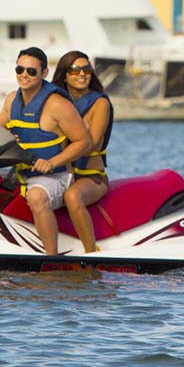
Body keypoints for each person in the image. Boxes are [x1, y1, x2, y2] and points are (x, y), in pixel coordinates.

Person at [0, 46, 92, 255]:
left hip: (56, 175)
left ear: (44, 73)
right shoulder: (11, 100)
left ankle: (50, 259)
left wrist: (52, 162)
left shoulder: (57, 105)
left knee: (36, 197)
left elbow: (84, 142)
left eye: (31, 71)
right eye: (20, 70)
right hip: (19, 172)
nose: (24, 75)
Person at [52, 50, 114, 253]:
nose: (82, 74)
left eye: (86, 69)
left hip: (91, 177)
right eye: (75, 70)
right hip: (59, 173)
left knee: (72, 197)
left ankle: (91, 252)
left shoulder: (100, 103)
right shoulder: (56, 102)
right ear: (64, 75)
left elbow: (92, 144)